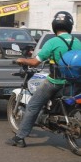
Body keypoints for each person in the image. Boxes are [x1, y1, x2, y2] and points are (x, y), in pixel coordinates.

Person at [5, 11, 81, 148]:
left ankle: (19, 138)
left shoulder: (53, 42)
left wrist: (21, 59)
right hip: (74, 83)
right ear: (69, 26)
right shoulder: (77, 42)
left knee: (33, 106)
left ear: (55, 25)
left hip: (56, 82)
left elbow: (35, 62)